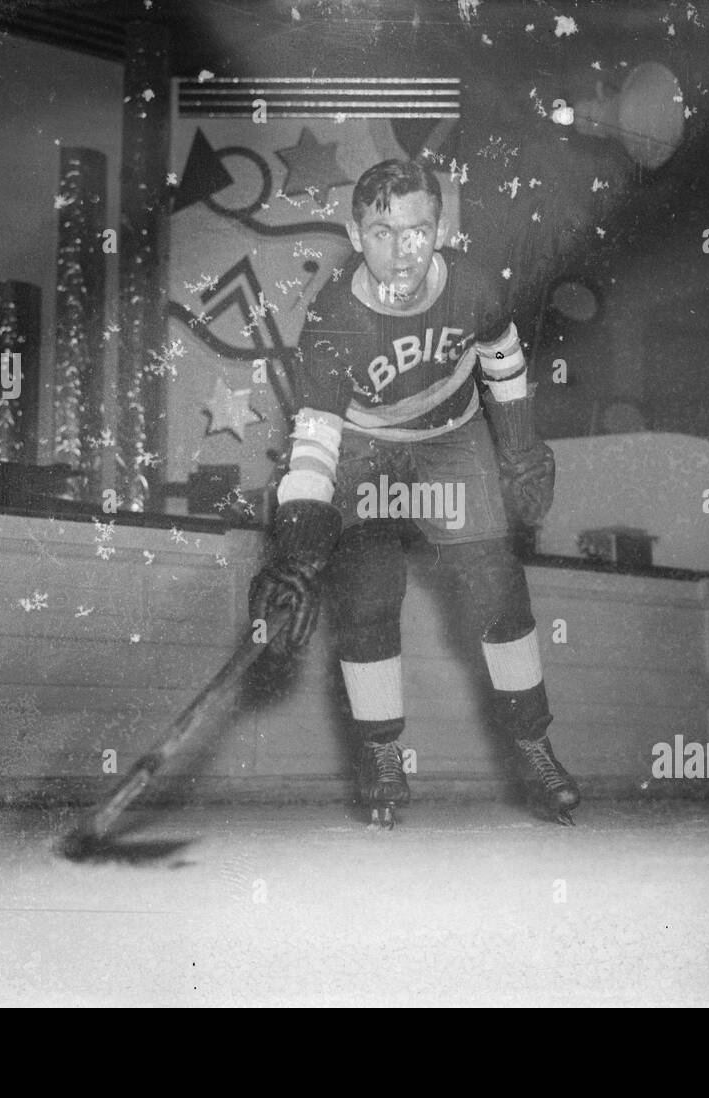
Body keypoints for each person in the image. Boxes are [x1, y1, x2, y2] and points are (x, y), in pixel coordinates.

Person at [249, 158, 580, 827]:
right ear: (354, 231)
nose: (401, 253)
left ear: (439, 228)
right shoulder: (334, 316)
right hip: (367, 452)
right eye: (380, 232)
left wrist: (518, 447)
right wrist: (299, 537)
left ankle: (533, 745)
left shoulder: (474, 286)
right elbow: (316, 433)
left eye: (417, 231)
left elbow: (502, 355)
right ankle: (379, 754)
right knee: (367, 590)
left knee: (496, 585)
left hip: (452, 441)